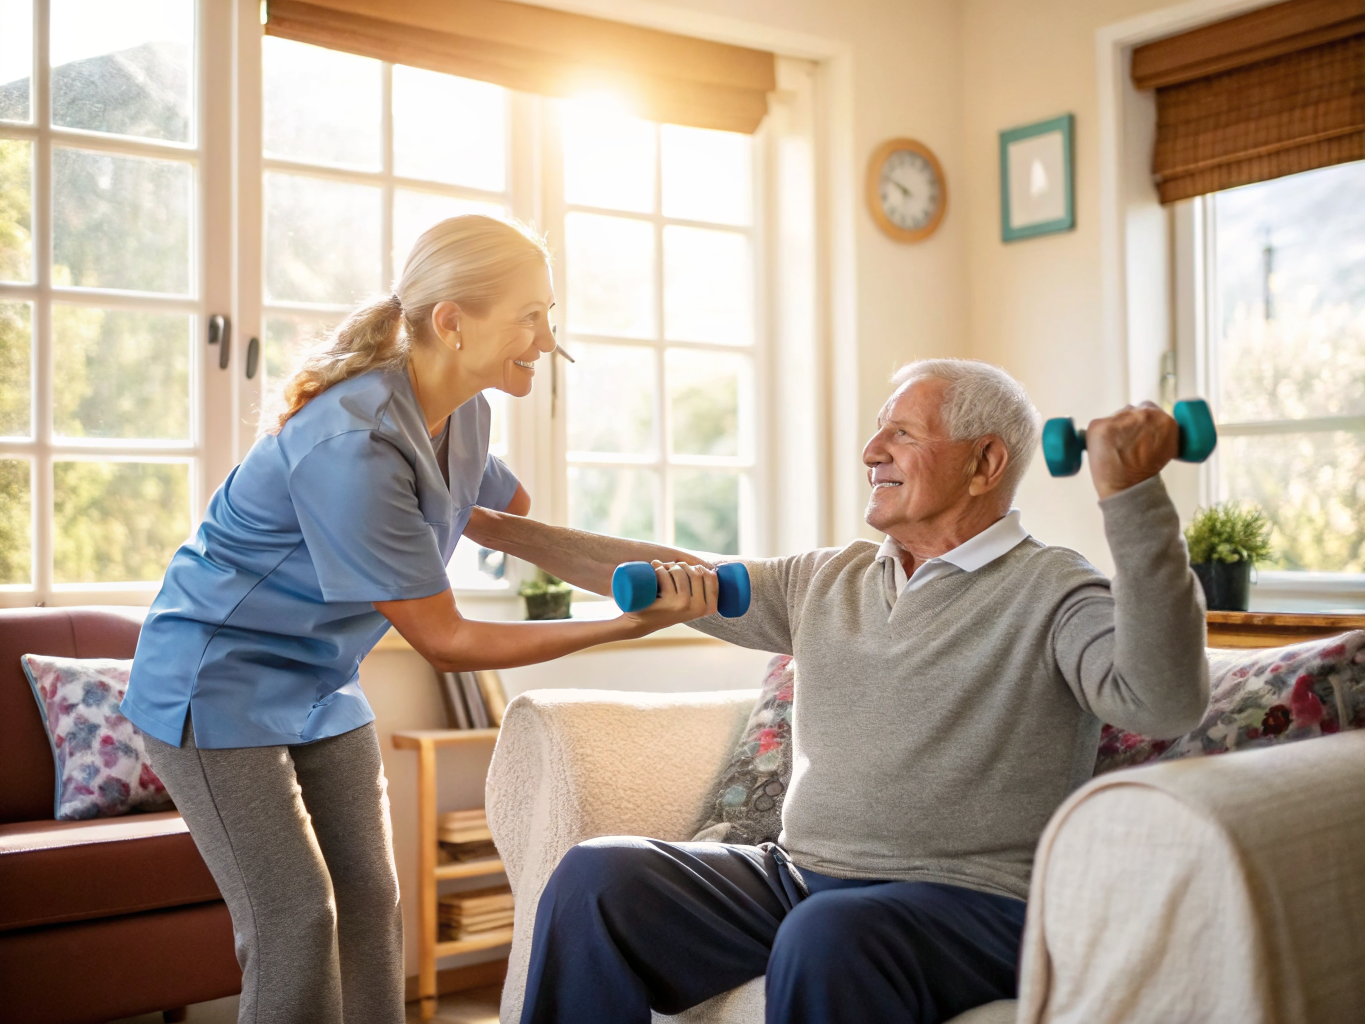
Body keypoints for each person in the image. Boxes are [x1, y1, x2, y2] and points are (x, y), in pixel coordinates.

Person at [463, 358, 1211, 1024]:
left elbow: (1160, 700)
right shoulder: (829, 577)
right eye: (877, 432)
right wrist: (498, 530)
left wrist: (1134, 497)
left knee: (831, 935)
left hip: (974, 904)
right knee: (600, 878)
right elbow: (676, 571)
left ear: (985, 463)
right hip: (801, 877)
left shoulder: (1054, 589)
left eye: (903, 436)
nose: (870, 452)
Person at [121, 216, 719, 1024]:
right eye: (530, 315)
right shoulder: (353, 440)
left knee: (372, 904)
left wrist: (659, 570)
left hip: (320, 681)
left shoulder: (463, 410)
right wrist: (618, 625)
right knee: (297, 920)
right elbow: (446, 641)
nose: (546, 339)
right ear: (452, 321)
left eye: (549, 315)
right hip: (212, 680)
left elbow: (506, 517)